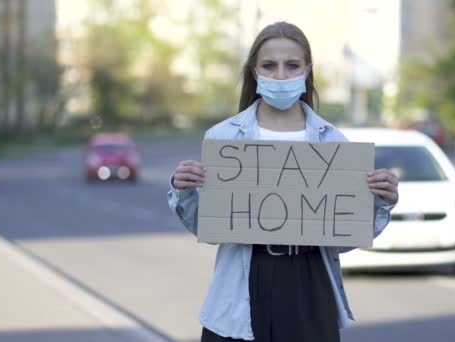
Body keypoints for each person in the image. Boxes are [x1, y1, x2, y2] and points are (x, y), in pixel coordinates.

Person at [168, 22, 399, 342]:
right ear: (253, 71)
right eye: (269, 65)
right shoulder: (223, 138)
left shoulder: (334, 142)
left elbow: (343, 236)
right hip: (243, 281)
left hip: (309, 282)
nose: (280, 75)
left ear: (307, 71)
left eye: (292, 65)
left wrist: (380, 201)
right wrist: (184, 190)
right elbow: (206, 227)